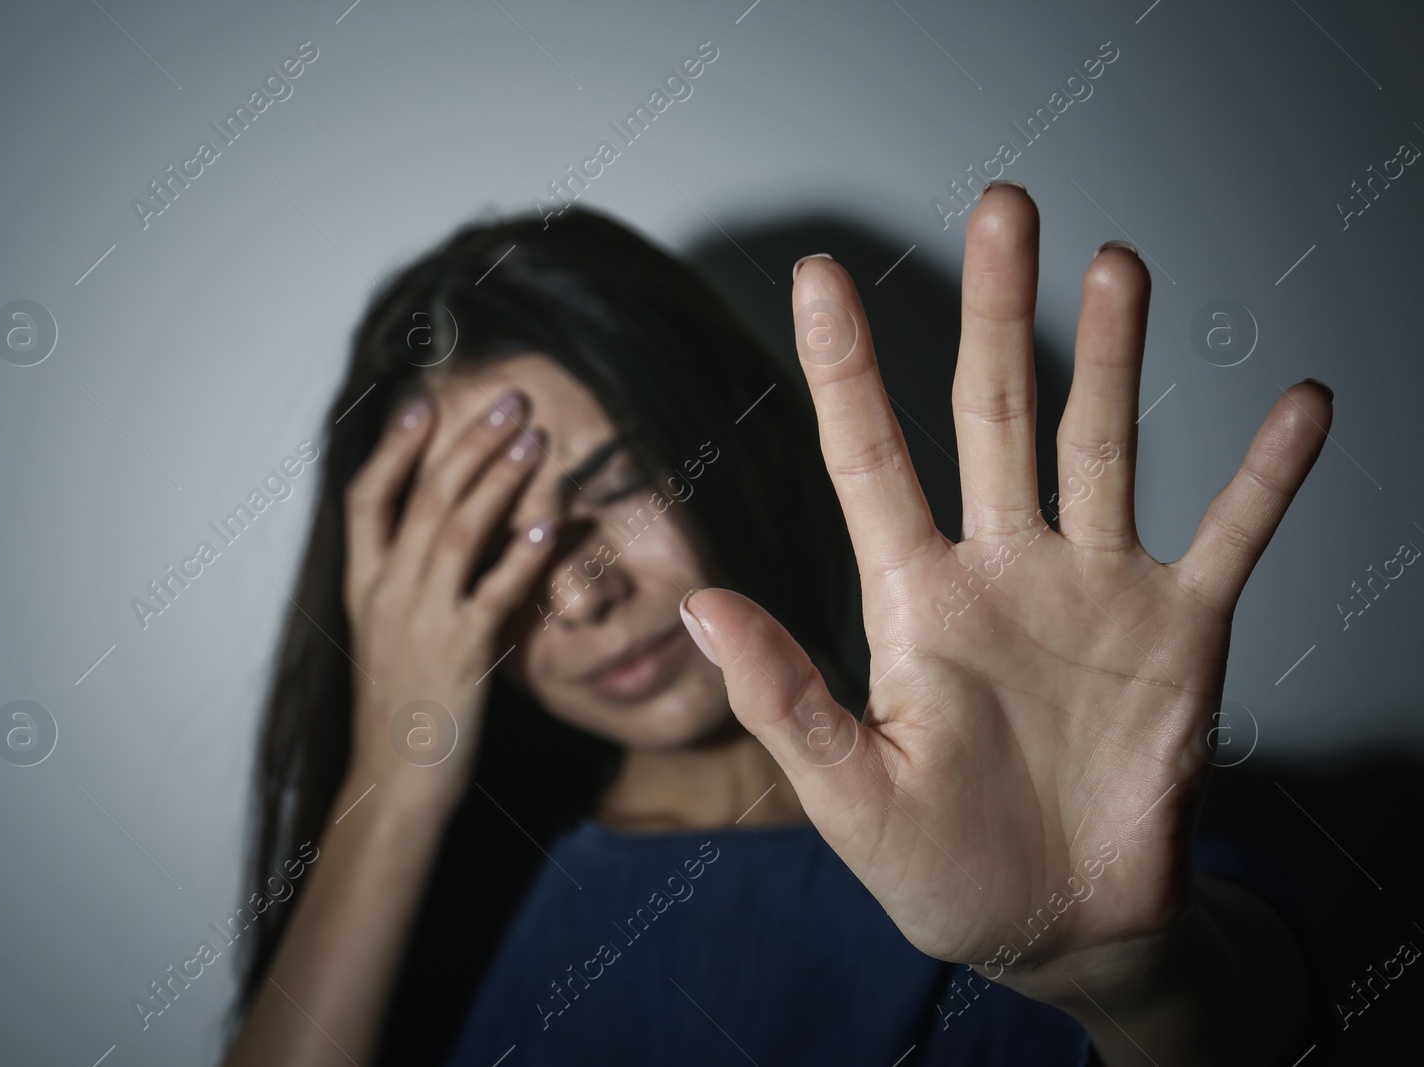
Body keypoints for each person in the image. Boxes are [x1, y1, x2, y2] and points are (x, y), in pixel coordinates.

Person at [220, 187, 1323, 1066]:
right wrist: (390, 778)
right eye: (491, 549)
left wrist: (1128, 975)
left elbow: (1234, 1004)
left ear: (726, 448)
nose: (579, 593)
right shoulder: (438, 913)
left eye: (616, 484)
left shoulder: (1029, 823)